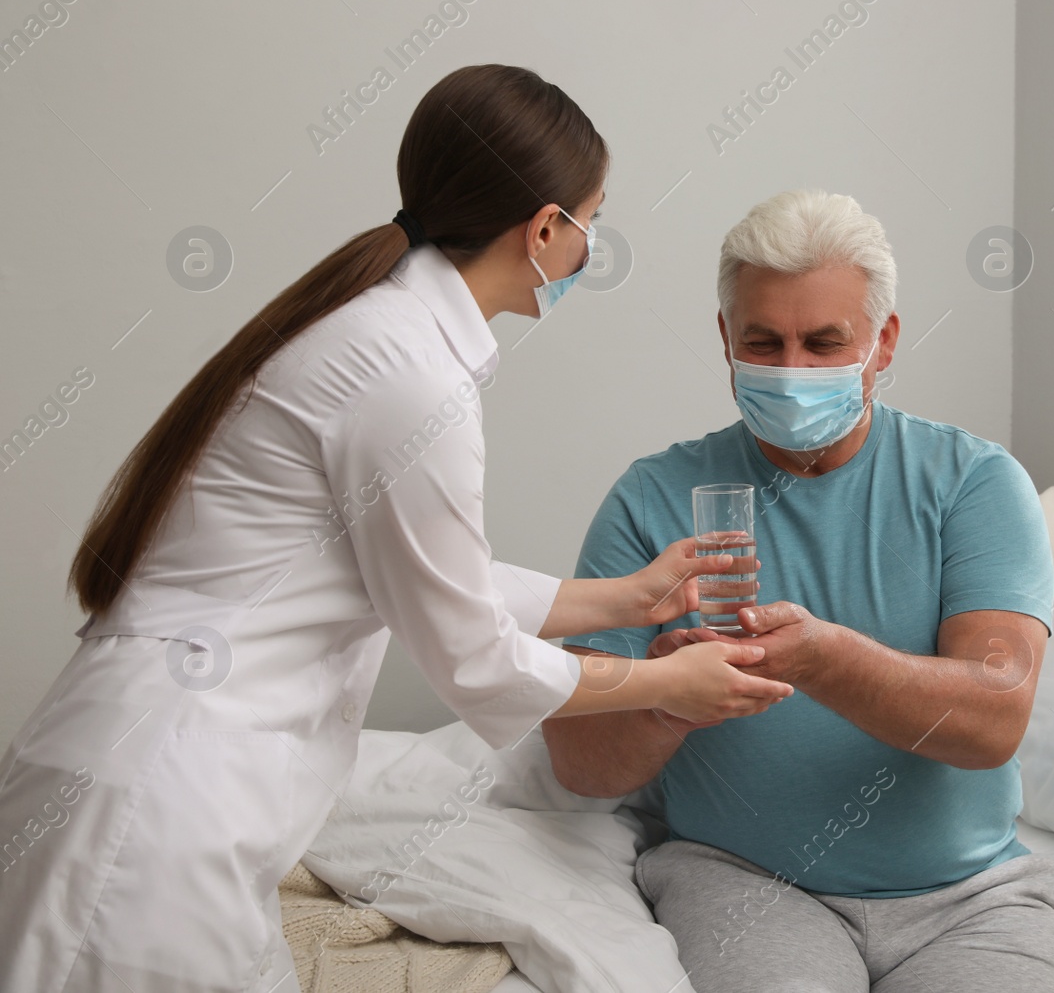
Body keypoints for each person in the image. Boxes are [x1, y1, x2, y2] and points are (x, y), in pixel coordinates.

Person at [0, 64, 791, 993]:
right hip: (152, 817)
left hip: (161, 784)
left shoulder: (385, 332)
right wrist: (667, 681)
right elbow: (473, 660)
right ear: (545, 228)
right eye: (591, 222)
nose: (587, 249)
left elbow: (420, 574)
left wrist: (628, 596)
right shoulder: (409, 372)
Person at [544, 190, 1054, 992]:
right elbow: (579, 762)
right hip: (744, 882)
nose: (792, 372)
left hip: (969, 899)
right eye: (764, 342)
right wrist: (666, 700)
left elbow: (993, 718)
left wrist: (824, 658)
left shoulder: (974, 484)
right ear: (726, 339)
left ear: (883, 341)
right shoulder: (652, 498)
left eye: (825, 342)